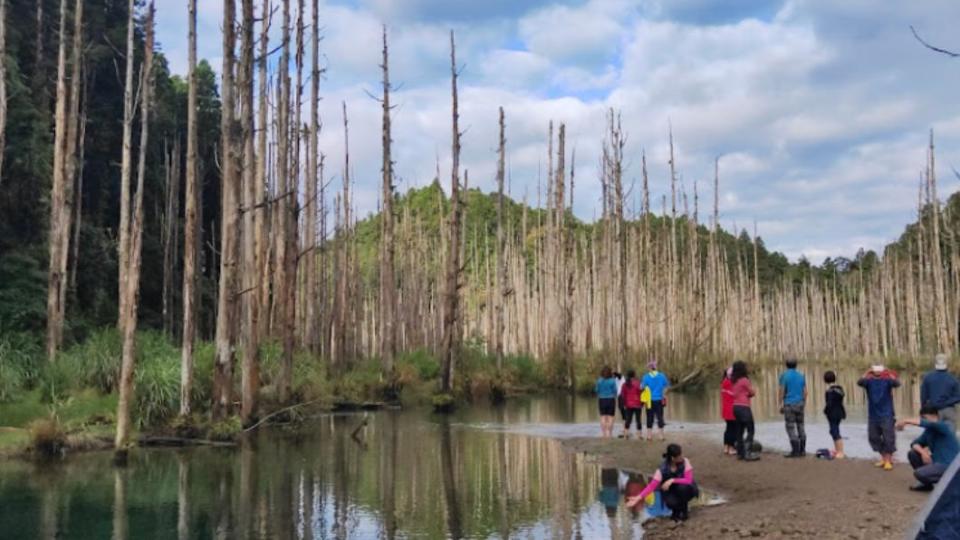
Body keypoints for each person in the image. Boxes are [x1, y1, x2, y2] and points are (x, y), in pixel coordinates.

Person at [626, 443, 699, 522]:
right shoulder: (662, 469)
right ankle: (676, 512)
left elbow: (688, 480)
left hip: (686, 488)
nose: (682, 457)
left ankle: (684, 510)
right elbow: (651, 486)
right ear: (672, 458)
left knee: (683, 488)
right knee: (671, 502)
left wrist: (672, 480)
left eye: (681, 454)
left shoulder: (685, 462)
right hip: (671, 492)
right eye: (679, 456)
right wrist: (638, 498)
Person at [896, 405, 960, 492]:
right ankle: (927, 485)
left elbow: (928, 423)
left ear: (934, 416)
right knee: (913, 453)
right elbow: (914, 443)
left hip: (951, 465)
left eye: (924, 417)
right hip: (937, 462)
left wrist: (905, 421)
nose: (923, 420)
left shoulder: (944, 426)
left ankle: (950, 483)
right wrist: (923, 452)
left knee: (919, 473)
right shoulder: (928, 432)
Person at [858, 364, 901, 471]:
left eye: (879, 371)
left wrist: (888, 372)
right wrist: (867, 372)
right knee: (873, 437)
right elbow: (859, 382)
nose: (877, 372)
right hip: (873, 414)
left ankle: (888, 460)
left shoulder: (887, 381)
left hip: (887, 414)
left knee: (888, 438)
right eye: (875, 371)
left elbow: (897, 383)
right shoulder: (869, 381)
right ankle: (884, 457)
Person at [920, 353, 960, 433]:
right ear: (947, 364)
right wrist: (946, 402)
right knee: (950, 438)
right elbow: (958, 397)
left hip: (933, 411)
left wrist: (924, 410)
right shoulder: (953, 379)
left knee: (933, 437)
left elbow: (923, 396)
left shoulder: (927, 378)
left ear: (935, 364)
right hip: (949, 410)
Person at [730, 360, 760, 461]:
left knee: (739, 431)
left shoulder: (733, 380)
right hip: (744, 407)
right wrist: (752, 392)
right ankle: (747, 453)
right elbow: (752, 392)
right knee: (750, 429)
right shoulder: (744, 380)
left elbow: (735, 393)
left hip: (735, 407)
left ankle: (740, 453)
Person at [779, 357, 808, 458]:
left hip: (789, 404)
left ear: (786, 365)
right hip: (800, 404)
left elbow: (782, 390)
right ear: (796, 365)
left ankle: (795, 451)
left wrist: (781, 403)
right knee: (801, 425)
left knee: (790, 426)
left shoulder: (784, 376)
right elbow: (805, 392)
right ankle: (803, 450)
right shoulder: (801, 376)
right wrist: (803, 402)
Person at [641, 360, 670, 441]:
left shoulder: (646, 377)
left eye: (648, 367)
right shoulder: (662, 376)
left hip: (649, 401)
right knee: (660, 417)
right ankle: (661, 436)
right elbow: (667, 386)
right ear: (655, 367)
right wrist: (664, 394)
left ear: (650, 368)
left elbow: (642, 388)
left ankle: (649, 436)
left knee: (649, 417)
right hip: (659, 400)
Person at [823, 370, 847, 459]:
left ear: (825, 380)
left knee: (835, 431)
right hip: (840, 412)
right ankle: (838, 450)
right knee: (834, 430)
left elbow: (829, 404)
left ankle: (840, 452)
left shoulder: (829, 391)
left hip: (833, 413)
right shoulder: (840, 389)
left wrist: (825, 411)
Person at [596, 366, 618, 438]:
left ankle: (604, 434)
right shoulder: (612, 381)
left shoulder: (599, 381)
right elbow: (615, 391)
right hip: (611, 399)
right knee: (610, 417)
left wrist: (600, 393)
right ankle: (610, 433)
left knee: (603, 417)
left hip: (602, 399)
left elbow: (596, 390)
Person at [621, 370, 644, 439]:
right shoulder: (638, 383)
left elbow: (623, 395)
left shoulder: (624, 384)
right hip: (637, 404)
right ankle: (639, 435)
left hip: (628, 404)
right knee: (638, 420)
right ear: (634, 375)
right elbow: (641, 393)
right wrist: (642, 403)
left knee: (628, 420)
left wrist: (624, 404)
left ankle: (626, 434)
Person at [721, 367, 737, 455]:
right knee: (733, 429)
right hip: (731, 410)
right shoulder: (730, 383)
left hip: (725, 409)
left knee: (728, 428)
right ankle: (731, 448)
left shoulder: (724, 382)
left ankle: (726, 447)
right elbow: (735, 394)